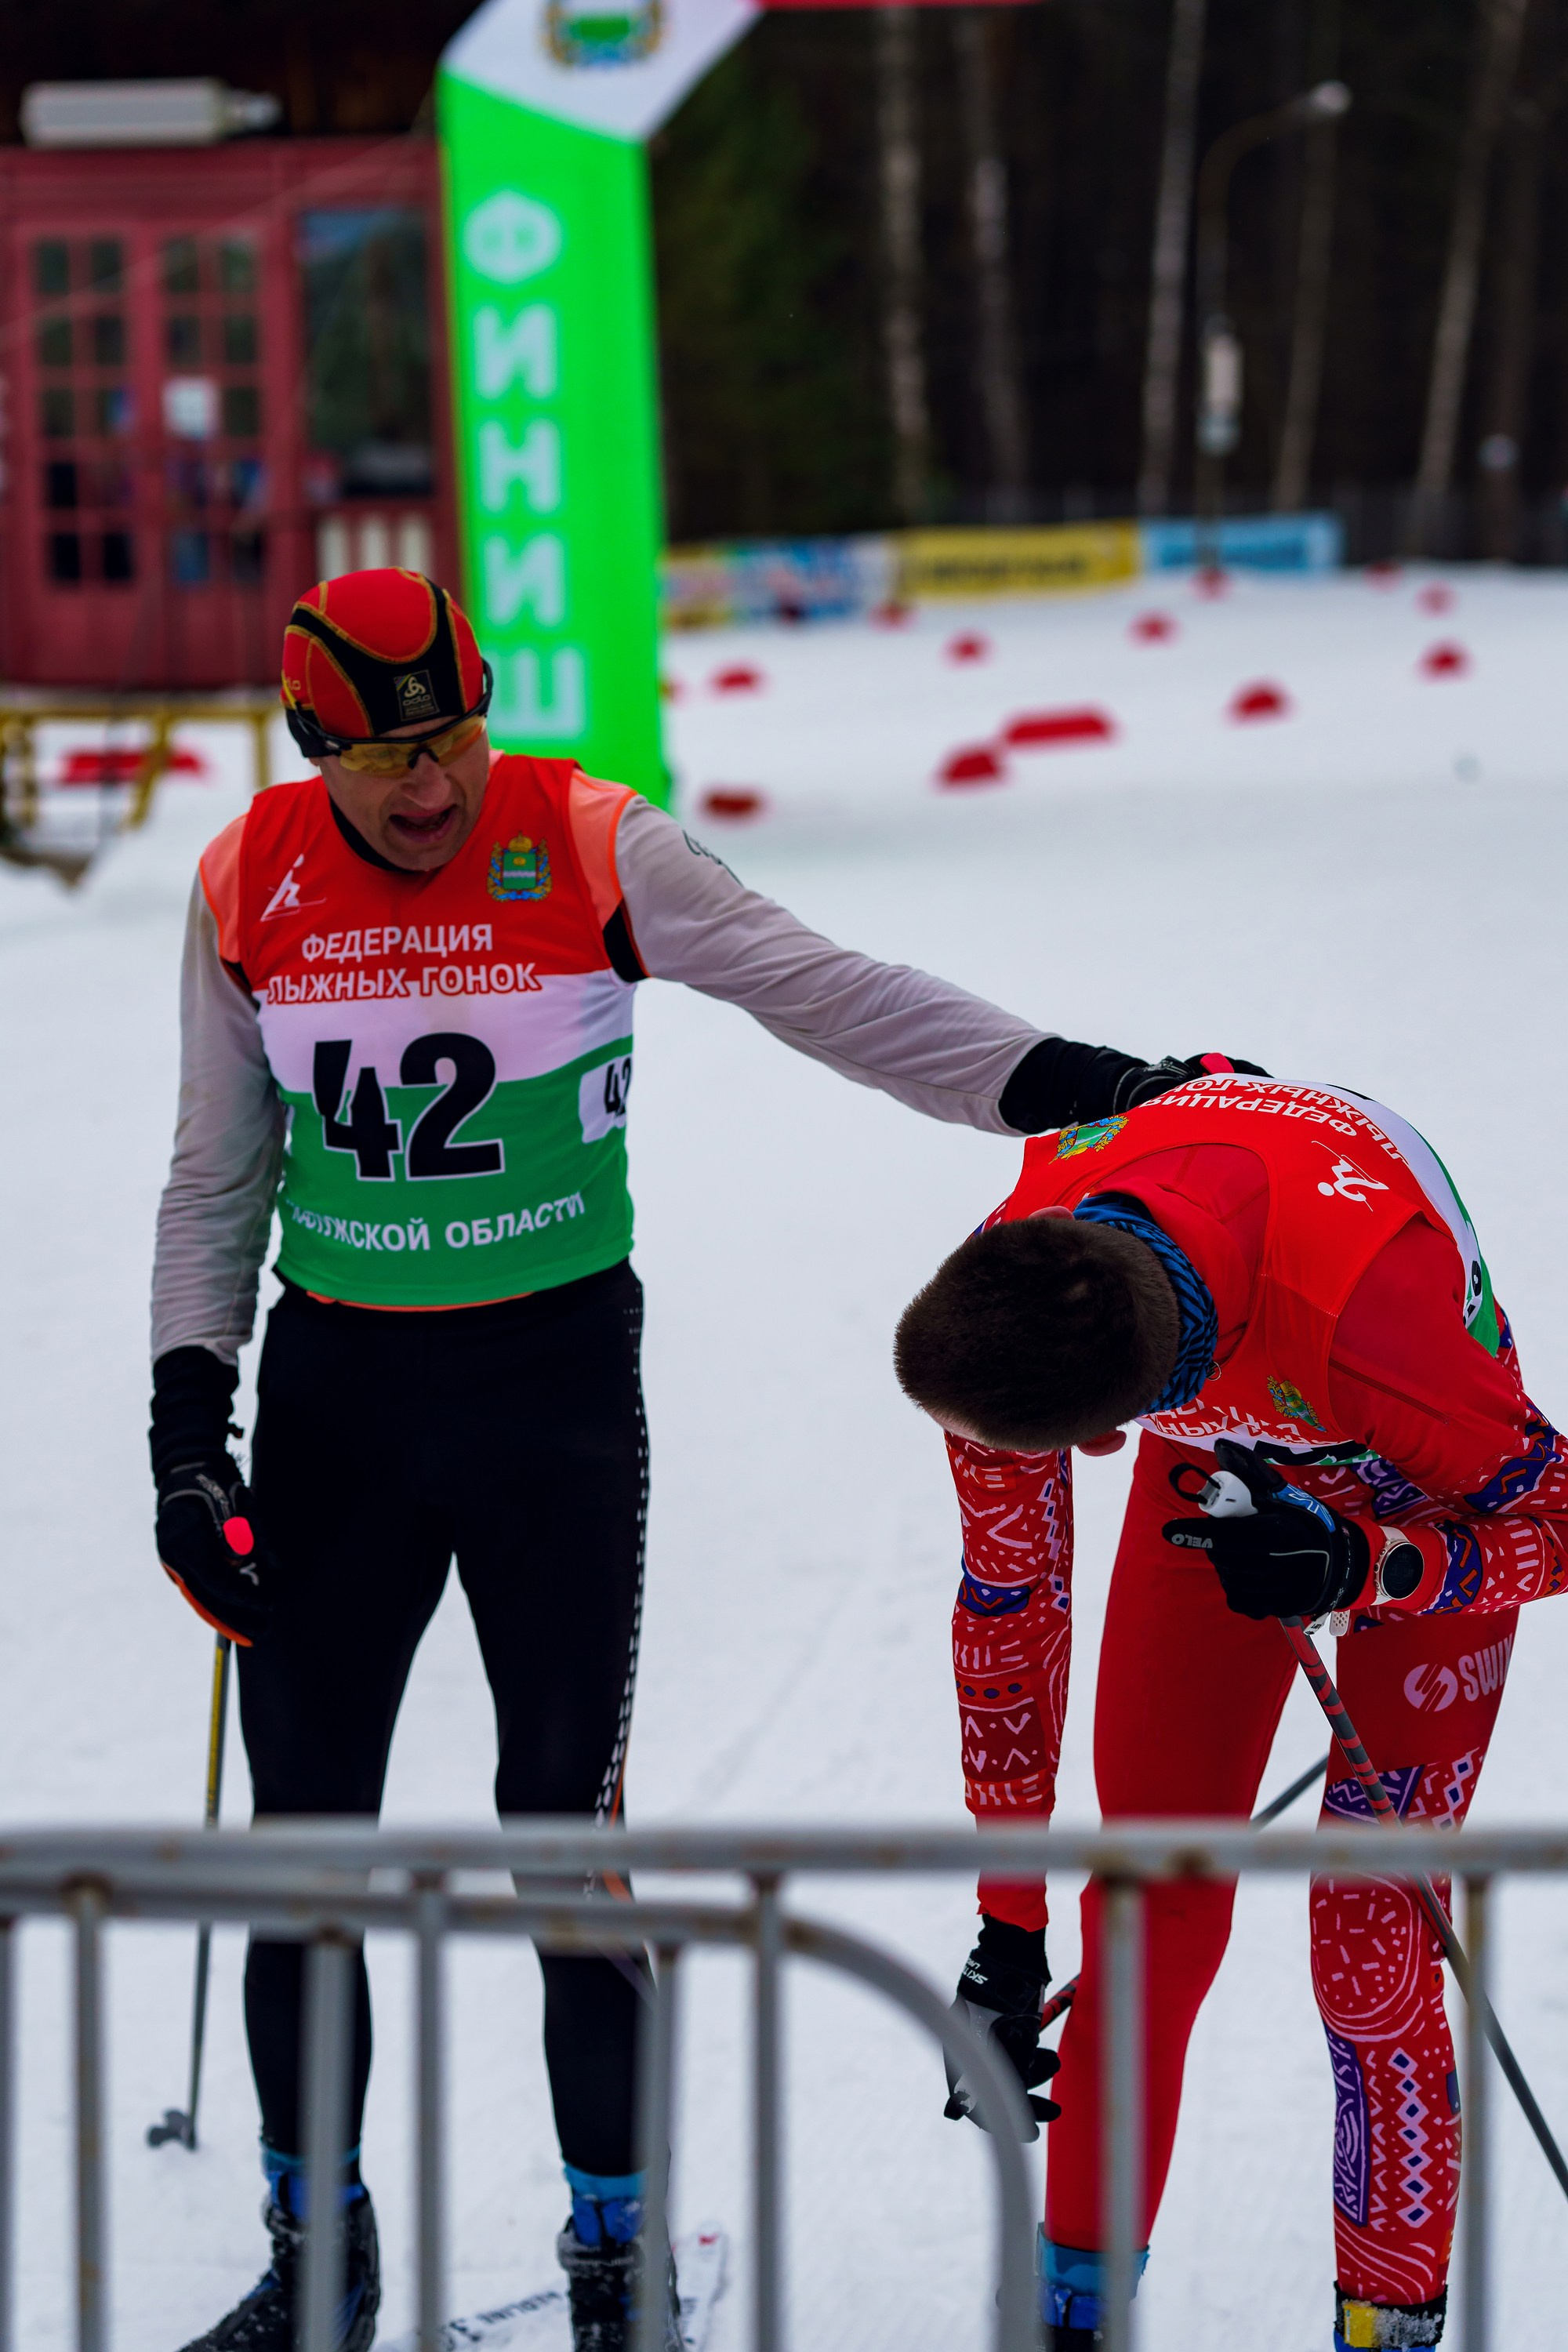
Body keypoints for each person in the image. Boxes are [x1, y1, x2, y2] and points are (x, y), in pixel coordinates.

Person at [149, 564, 1229, 2352]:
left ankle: (616, 2264)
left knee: (562, 1852)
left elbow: (832, 993)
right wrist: (191, 1432)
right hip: (340, 1407)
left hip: (551, 1399)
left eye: (454, 736)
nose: (432, 783)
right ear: (313, 748)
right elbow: (215, 1178)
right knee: (302, 1853)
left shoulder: (588, 842)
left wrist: (1090, 1083)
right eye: (389, 757)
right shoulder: (243, 877)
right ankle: (316, 2255)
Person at [894, 1068, 1568, 2352]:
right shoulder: (1017, 1271)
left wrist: (1370, 1565)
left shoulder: (1379, 1323)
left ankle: (1386, 2329)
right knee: (1150, 1901)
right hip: (1218, 1454)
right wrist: (1007, 1929)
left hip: (1416, 1482)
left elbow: (1557, 1520)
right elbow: (1010, 1612)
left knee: (1370, 1934)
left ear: (1099, 1437)